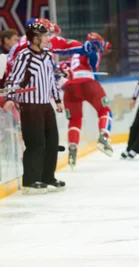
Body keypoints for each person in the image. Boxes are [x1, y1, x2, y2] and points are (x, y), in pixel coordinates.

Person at [4, 22, 64, 194]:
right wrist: (9, 97)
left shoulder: (47, 55)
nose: (47, 39)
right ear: (35, 38)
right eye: (44, 36)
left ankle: (47, 177)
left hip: (46, 105)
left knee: (52, 143)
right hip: (30, 106)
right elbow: (13, 79)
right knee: (36, 144)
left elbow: (52, 80)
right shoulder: (25, 56)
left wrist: (58, 100)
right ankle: (31, 181)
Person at [61, 32, 114, 167]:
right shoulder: (93, 49)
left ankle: (72, 149)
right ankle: (104, 137)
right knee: (104, 110)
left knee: (75, 119)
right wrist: (104, 46)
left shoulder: (75, 54)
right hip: (88, 83)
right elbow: (96, 54)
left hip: (71, 86)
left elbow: (63, 66)